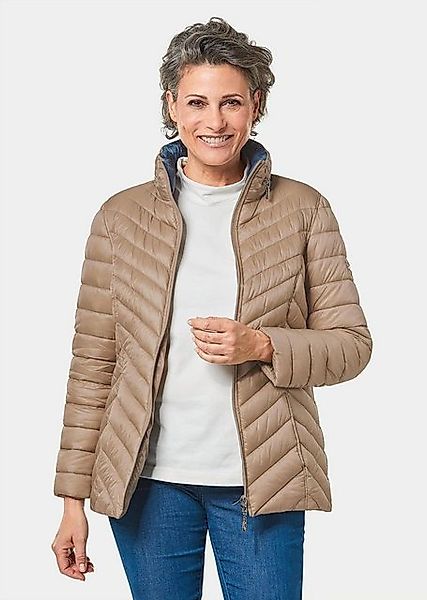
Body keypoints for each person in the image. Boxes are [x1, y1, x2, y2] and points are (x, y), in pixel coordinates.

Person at [51, 16, 373, 600]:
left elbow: (352, 345)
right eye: (197, 102)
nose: (215, 122)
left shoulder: (303, 209)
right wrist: (71, 500)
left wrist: (264, 345)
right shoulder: (121, 218)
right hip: (147, 483)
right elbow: (94, 365)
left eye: (232, 102)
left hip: (262, 480)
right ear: (171, 105)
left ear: (257, 105)